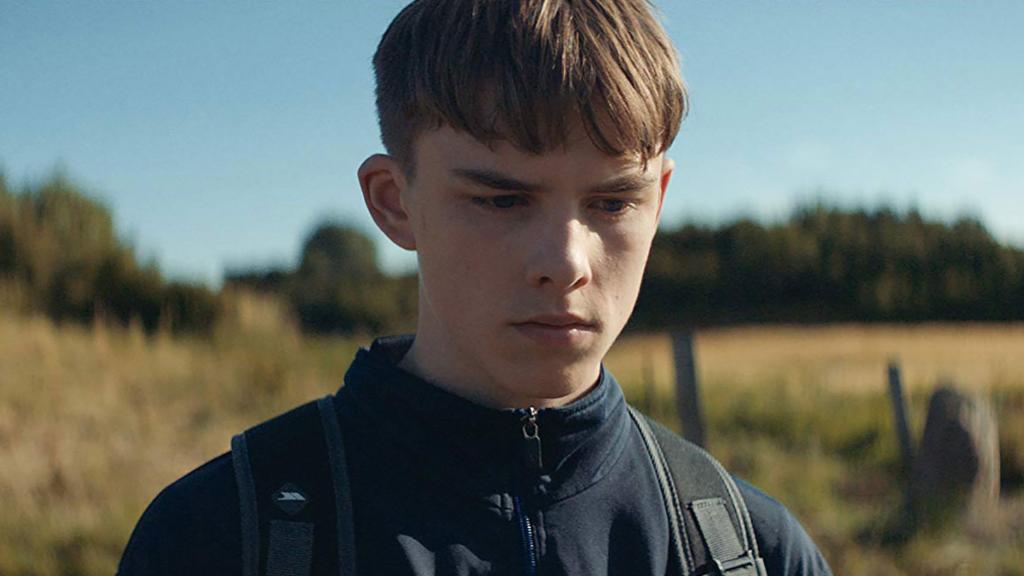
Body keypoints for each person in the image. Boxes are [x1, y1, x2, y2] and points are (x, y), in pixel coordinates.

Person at [119, 1, 833, 574]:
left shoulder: (752, 551)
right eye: (502, 200)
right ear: (395, 202)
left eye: (613, 202)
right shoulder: (217, 539)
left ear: (660, 200)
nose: (566, 261)